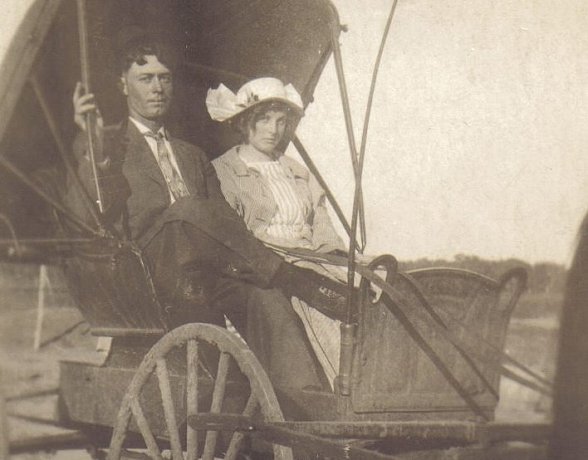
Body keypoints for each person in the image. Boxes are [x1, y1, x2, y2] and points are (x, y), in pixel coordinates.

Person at [66, 30, 351, 403]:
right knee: (187, 209)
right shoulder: (103, 144)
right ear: (123, 85)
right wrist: (93, 145)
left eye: (164, 78)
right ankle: (295, 278)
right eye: (145, 78)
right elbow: (91, 212)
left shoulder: (192, 155)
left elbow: (223, 223)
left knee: (265, 299)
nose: (157, 88)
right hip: (147, 271)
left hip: (203, 274)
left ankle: (307, 406)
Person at [207, 78, 350, 385]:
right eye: (264, 120)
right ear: (246, 123)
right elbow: (234, 235)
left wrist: (333, 257)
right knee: (320, 304)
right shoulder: (224, 171)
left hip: (311, 256)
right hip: (265, 264)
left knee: (365, 287)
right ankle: (332, 386)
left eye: (281, 121)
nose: (274, 130)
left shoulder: (296, 170)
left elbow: (320, 222)